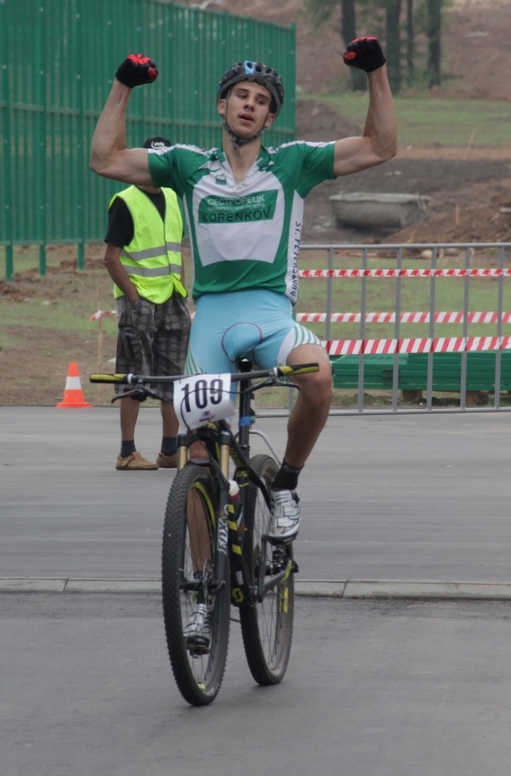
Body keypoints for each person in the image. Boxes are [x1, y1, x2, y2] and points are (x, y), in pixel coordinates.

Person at [90, 42, 397, 547]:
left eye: (260, 99)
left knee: (318, 377)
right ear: (222, 106)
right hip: (211, 318)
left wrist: (376, 73)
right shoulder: (188, 166)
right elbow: (105, 159)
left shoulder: (294, 163)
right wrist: (122, 85)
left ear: (269, 117)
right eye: (240, 95)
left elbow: (380, 146)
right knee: (200, 461)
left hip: (271, 312)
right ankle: (202, 599)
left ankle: (286, 485)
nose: (249, 103)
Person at [103, 136, 193, 471]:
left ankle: (170, 451)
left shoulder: (173, 197)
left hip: (171, 299)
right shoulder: (125, 201)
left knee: (174, 377)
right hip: (139, 301)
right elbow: (111, 258)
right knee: (133, 377)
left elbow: (176, 248)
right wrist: (133, 297)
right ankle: (127, 452)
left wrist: (181, 290)